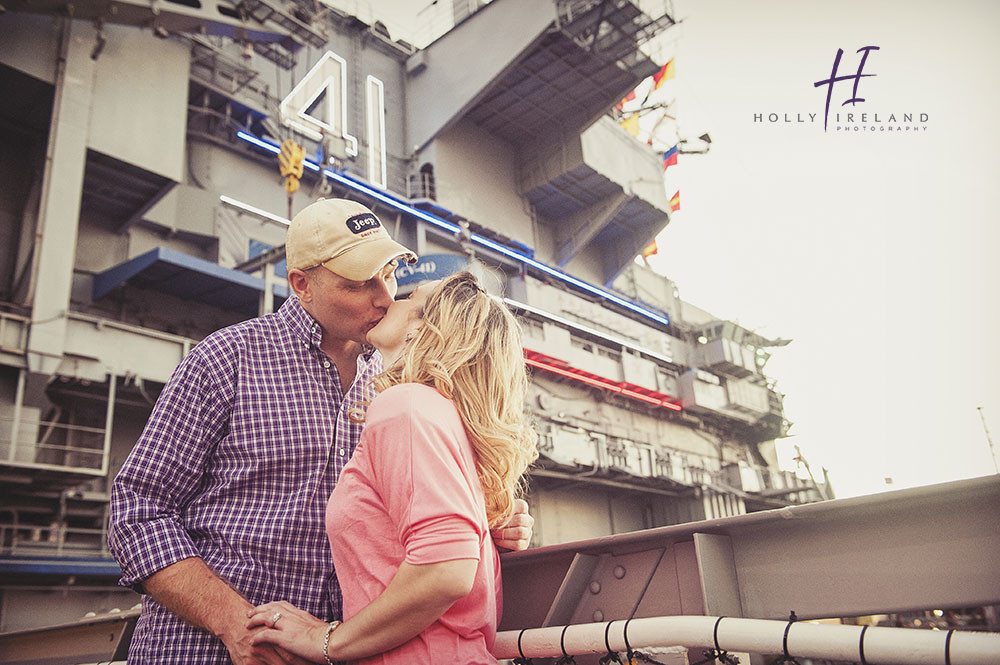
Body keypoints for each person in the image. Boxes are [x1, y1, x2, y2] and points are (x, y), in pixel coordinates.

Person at [108, 199, 534, 665]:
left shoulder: (404, 385)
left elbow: (422, 536)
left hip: (339, 649)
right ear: (301, 284)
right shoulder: (225, 360)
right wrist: (237, 624)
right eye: (359, 283)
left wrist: (491, 521)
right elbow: (138, 512)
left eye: (389, 274)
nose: (385, 297)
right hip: (208, 650)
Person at [246, 271, 538, 664]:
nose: (389, 299)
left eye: (411, 296)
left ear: (421, 331)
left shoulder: (405, 405)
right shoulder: (441, 413)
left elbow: (445, 569)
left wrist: (325, 639)